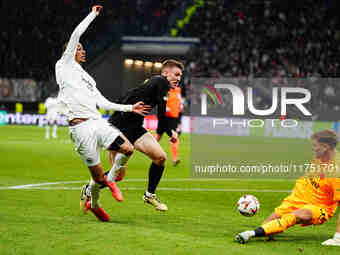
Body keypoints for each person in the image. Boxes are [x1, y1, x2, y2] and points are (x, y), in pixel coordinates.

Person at [55, 5, 151, 222]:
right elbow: (76, 34)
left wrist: (130, 108)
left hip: (98, 123)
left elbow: (103, 102)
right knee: (97, 179)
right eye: (79, 49)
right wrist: (93, 14)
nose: (83, 50)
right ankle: (95, 203)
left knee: (128, 148)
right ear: (70, 52)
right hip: (80, 128)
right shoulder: (64, 65)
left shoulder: (88, 78)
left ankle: (111, 180)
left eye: (81, 48)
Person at [81, 59, 184, 211]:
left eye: (180, 76)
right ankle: (89, 189)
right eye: (176, 74)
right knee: (118, 175)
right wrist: (171, 133)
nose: (178, 78)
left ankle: (149, 195)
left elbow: (130, 95)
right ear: (165, 73)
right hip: (119, 126)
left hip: (135, 127)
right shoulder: (161, 82)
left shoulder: (156, 83)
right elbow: (162, 115)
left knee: (160, 157)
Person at [235, 130, 340, 245]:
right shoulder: (320, 156)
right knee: (267, 226)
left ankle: (250, 234)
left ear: (325, 147)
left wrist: (337, 237)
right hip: (298, 197)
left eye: (315, 146)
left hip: (320, 206)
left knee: (296, 216)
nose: (312, 148)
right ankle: (263, 230)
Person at [154, 85, 183, 166]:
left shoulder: (178, 90)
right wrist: (165, 108)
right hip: (165, 116)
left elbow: (179, 103)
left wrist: (180, 107)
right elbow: (160, 101)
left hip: (174, 117)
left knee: (174, 136)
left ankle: (174, 159)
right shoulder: (166, 90)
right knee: (158, 137)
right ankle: (147, 148)